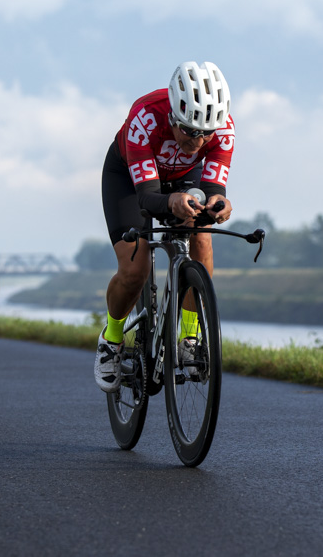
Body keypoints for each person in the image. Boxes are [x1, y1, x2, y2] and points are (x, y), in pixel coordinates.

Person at [95, 61, 235, 392]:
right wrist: (171, 201)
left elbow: (215, 189)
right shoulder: (145, 117)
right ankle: (111, 339)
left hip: (182, 178)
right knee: (134, 270)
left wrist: (219, 204)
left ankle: (189, 336)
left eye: (206, 134)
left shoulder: (223, 129)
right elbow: (147, 198)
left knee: (201, 233)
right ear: (173, 116)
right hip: (130, 180)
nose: (197, 142)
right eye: (189, 131)